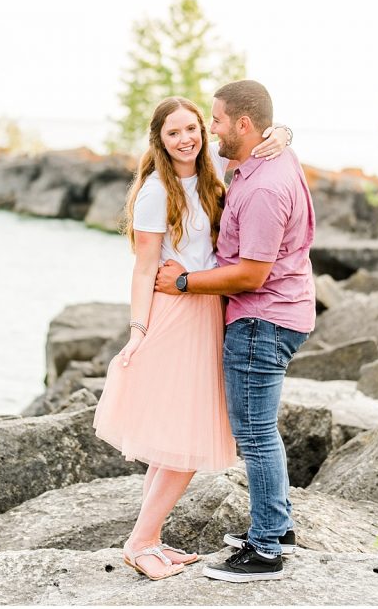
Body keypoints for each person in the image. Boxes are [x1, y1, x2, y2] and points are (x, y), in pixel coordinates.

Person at [93, 96, 291, 580]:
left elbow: (262, 136)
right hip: (177, 316)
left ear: (204, 130)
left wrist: (283, 134)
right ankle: (139, 544)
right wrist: (137, 332)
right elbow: (143, 270)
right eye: (173, 133)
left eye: (193, 129)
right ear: (159, 141)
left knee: (173, 441)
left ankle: (151, 538)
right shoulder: (157, 191)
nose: (186, 139)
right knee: (183, 438)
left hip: (209, 312)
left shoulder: (211, 174)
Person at [155, 79, 315, 583]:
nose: (210, 128)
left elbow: (252, 274)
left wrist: (184, 281)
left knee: (256, 434)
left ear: (244, 125)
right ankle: (278, 524)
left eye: (218, 120)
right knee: (261, 430)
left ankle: (266, 549)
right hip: (278, 313)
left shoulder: (266, 186)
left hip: (260, 318)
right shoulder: (257, 158)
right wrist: (283, 131)